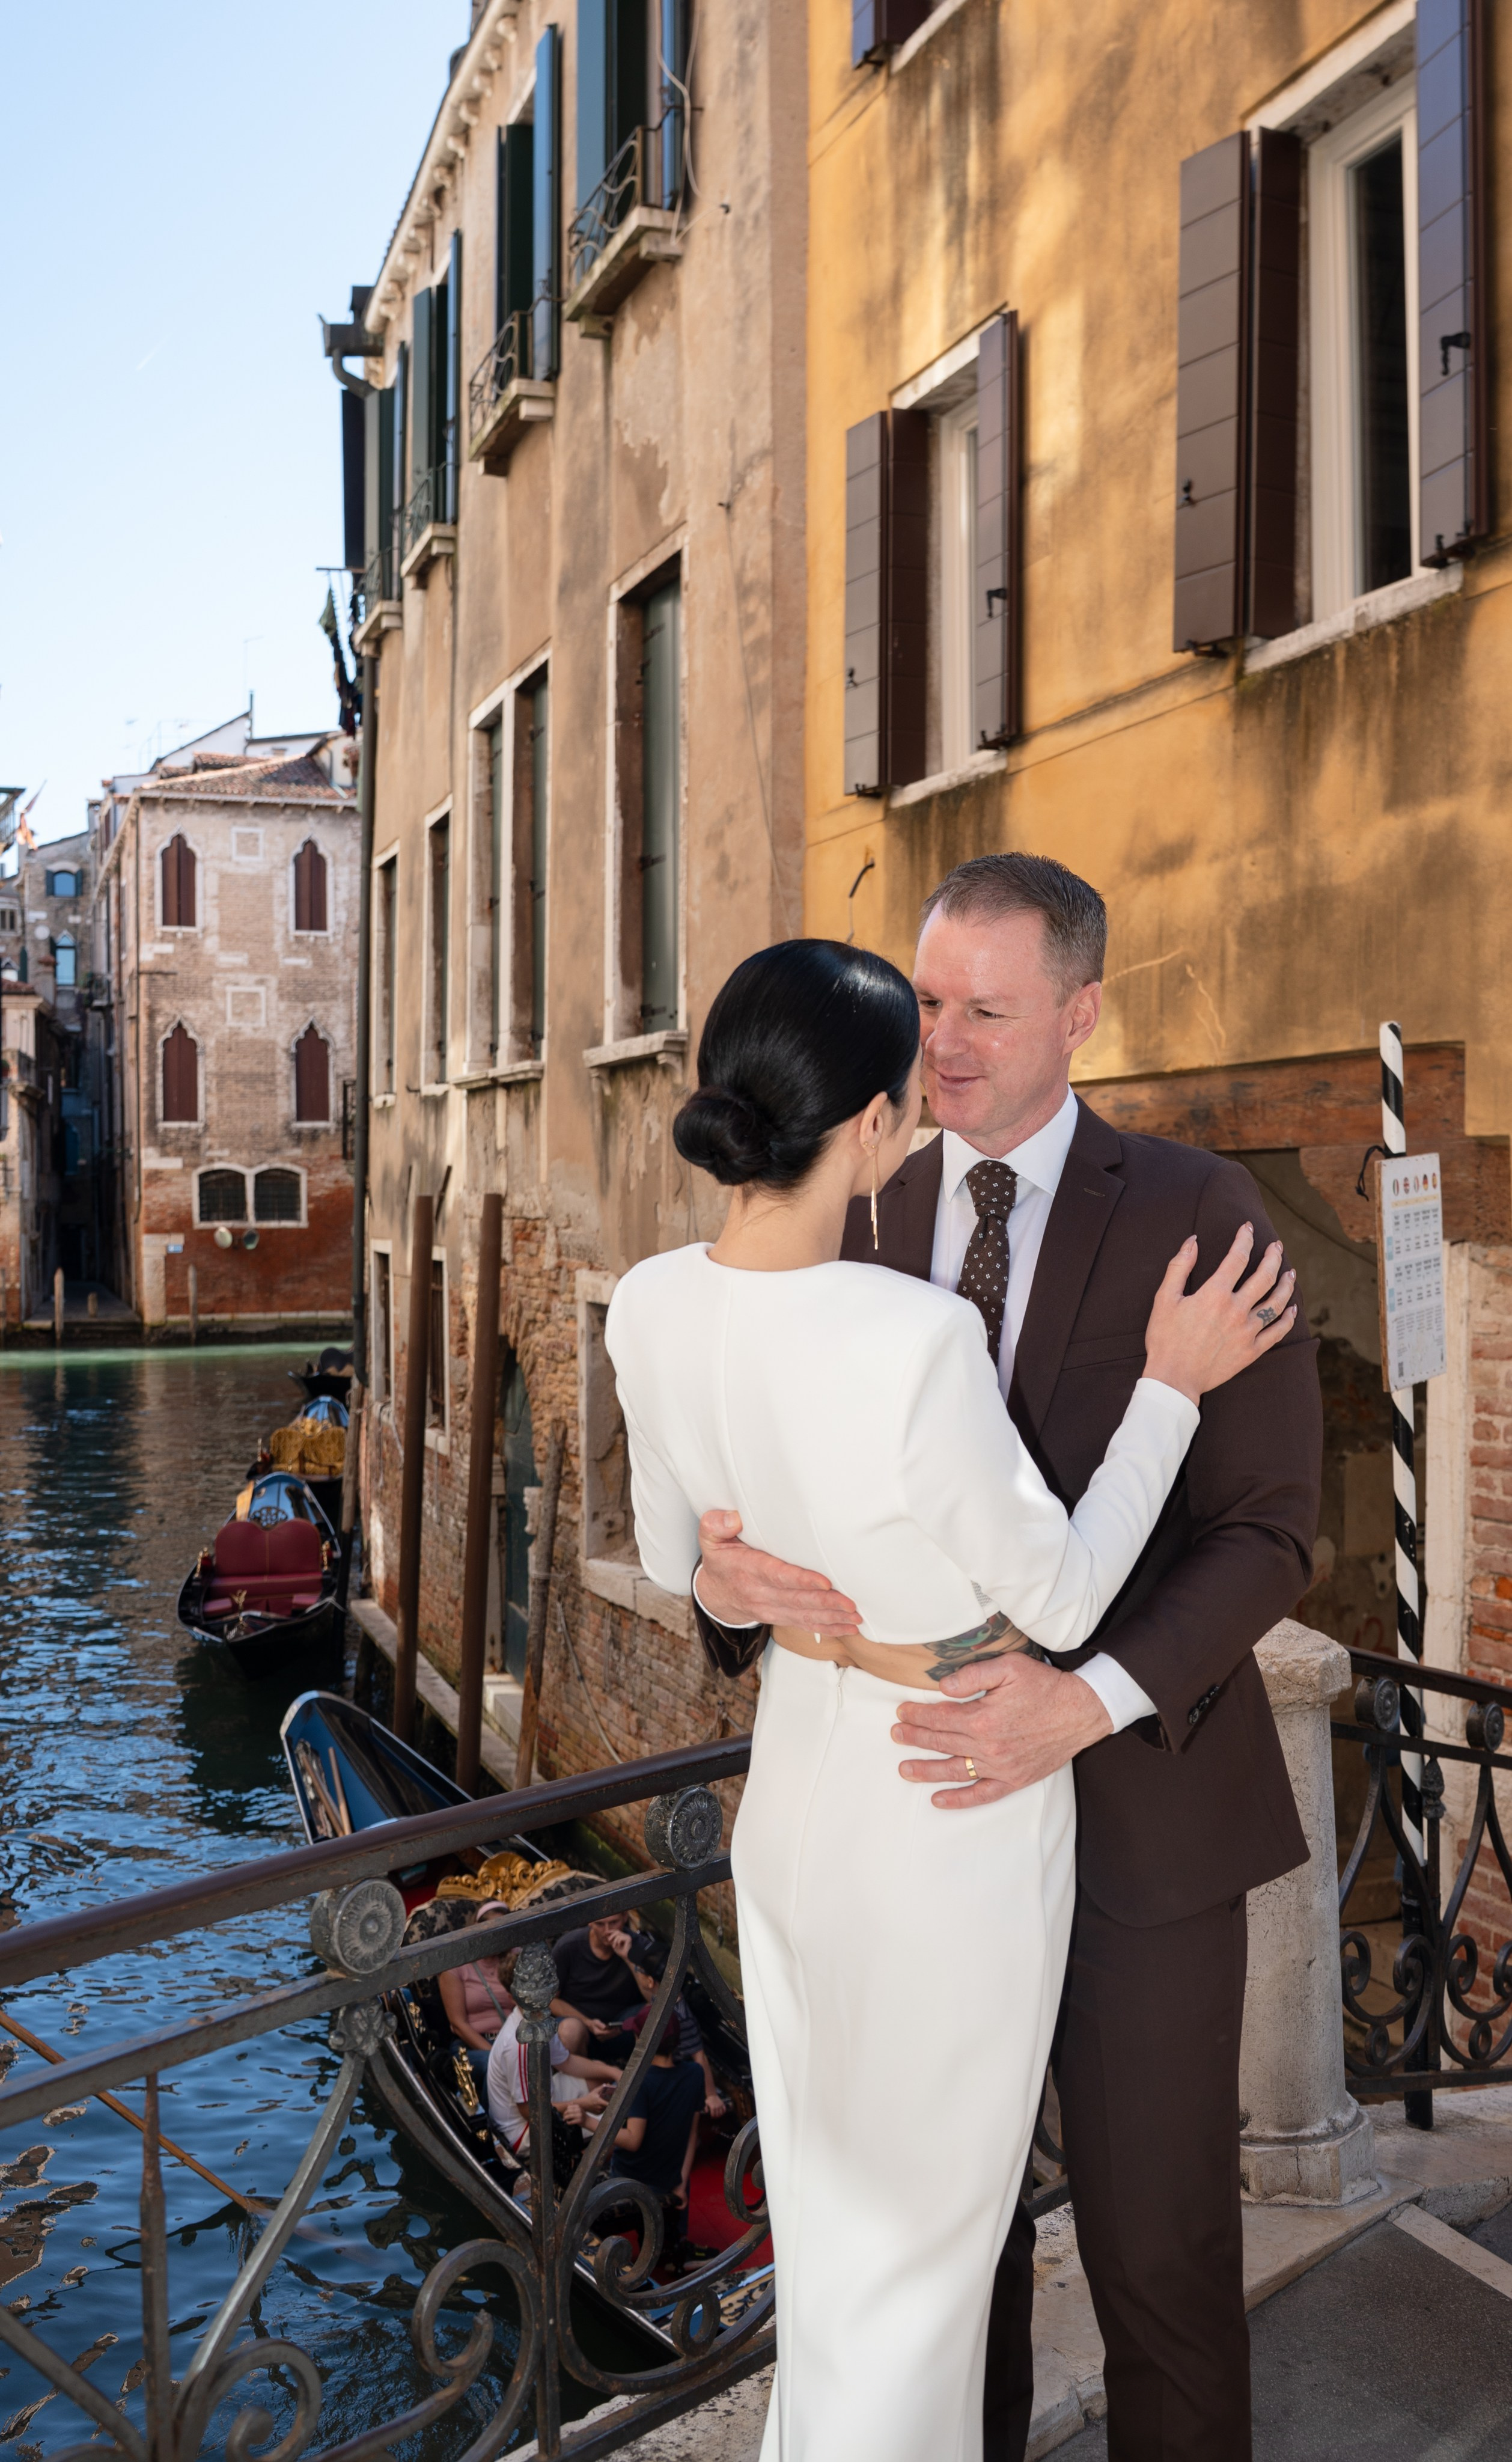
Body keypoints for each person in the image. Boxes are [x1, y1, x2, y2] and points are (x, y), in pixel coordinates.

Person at [604, 931, 1297, 2462]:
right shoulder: (888, 1264)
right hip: (931, 1820)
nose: (947, 1047)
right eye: (925, 1014)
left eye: (985, 1008)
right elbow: (739, 1569)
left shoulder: (651, 1297)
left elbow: (1273, 1534)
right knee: (915, 2270)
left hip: (978, 1807)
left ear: (1079, 1011)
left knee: (1055, 2263)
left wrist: (1087, 1699)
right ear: (869, 1111)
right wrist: (1164, 1390)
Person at [587, 2006, 705, 2207]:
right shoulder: (695, 2073)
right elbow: (692, 2134)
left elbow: (633, 2141)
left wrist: (585, 2120)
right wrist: (681, 2183)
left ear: (640, 2040)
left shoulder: (639, 2081)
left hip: (631, 2180)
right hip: (669, 2179)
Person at [629, 1936, 729, 2122]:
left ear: (650, 1982)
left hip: (670, 2071)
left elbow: (699, 2056)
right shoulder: (662, 1995)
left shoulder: (681, 2017)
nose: (636, 1972)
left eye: (638, 1970)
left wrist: (711, 2095)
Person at [550, 1915, 656, 2061]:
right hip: (581, 2028)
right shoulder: (569, 1947)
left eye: (614, 1923)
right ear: (590, 1922)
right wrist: (588, 2023)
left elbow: (655, 1998)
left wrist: (629, 1958)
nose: (607, 1931)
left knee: (655, 2013)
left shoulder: (638, 1944)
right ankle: (587, 2078)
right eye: (600, 1924)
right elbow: (550, 2000)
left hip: (623, 2027)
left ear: (625, 1917)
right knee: (570, 2031)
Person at [437, 1899, 513, 2091]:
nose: (500, 1935)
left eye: (505, 1928)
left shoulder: (516, 1956)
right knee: (498, 2066)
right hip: (474, 2046)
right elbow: (458, 2025)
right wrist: (495, 2054)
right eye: (494, 1928)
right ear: (479, 1929)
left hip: (513, 2039)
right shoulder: (456, 1966)